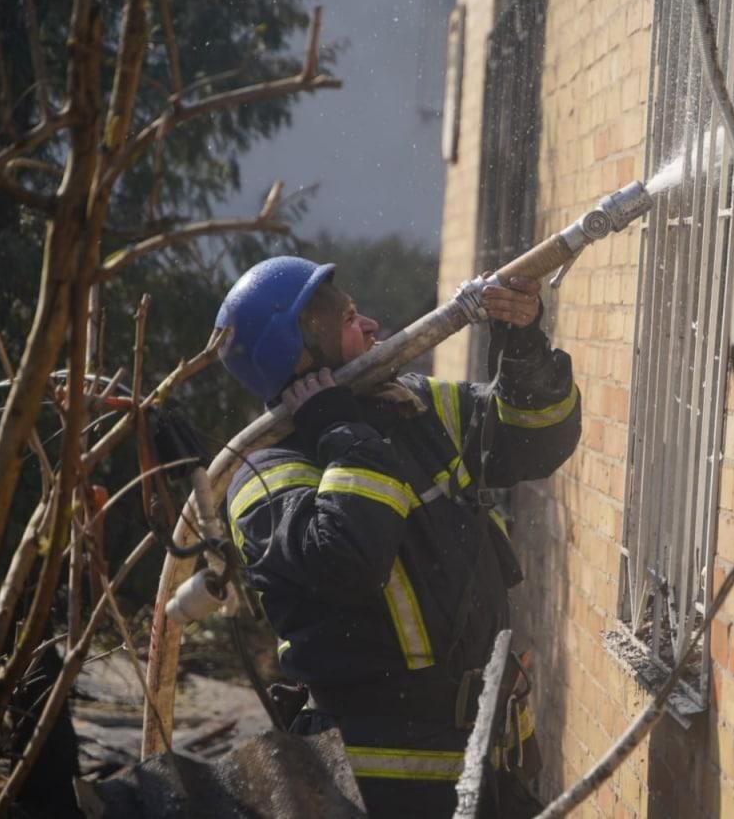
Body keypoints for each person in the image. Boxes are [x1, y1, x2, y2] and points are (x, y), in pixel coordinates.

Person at [213, 255, 581, 817]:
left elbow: (531, 441)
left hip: (491, 762)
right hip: (381, 790)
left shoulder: (411, 407)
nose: (371, 329)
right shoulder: (267, 474)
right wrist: (342, 433)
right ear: (300, 354)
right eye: (351, 319)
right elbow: (348, 558)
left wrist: (522, 342)